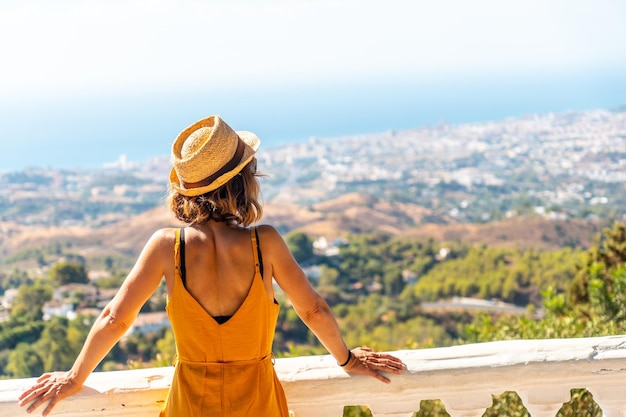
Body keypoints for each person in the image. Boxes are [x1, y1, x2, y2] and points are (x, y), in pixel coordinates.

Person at [19, 115, 405, 416]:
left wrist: (74, 377)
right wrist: (347, 358)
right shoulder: (264, 242)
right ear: (243, 181)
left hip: (192, 404)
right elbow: (313, 309)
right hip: (259, 404)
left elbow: (114, 319)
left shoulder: (165, 247)